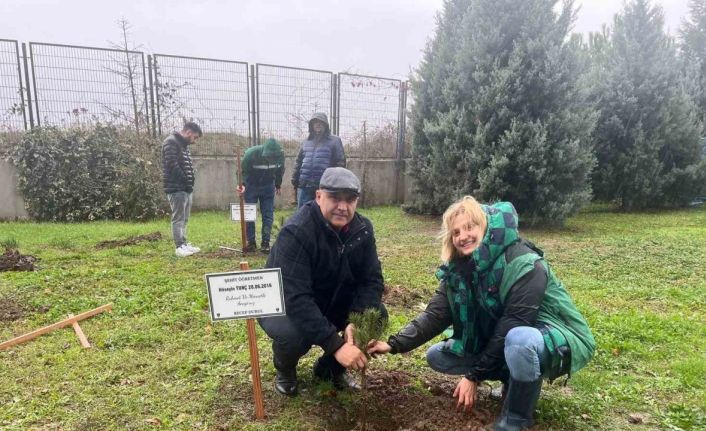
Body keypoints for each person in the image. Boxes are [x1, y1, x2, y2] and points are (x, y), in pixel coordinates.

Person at [367, 196, 595, 431]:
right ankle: (510, 379)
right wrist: (394, 344)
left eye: (469, 227)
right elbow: (435, 315)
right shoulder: (458, 271)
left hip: (555, 333)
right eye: (455, 232)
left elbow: (514, 322)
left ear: (485, 226)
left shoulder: (523, 262)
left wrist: (474, 376)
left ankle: (517, 418)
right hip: (506, 338)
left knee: (519, 341)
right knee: (438, 356)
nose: (462, 236)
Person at [258, 167, 386, 396]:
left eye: (350, 200)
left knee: (375, 316)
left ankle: (329, 369)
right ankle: (285, 369)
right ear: (318, 197)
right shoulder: (297, 231)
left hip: (332, 299)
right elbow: (295, 297)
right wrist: (335, 344)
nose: (343, 207)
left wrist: (355, 319)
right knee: (293, 334)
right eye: (334, 198)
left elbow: (371, 279)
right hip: (284, 306)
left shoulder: (363, 229)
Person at [161, 122, 202, 257]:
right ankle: (179, 247)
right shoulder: (171, 142)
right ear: (188, 132)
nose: (195, 141)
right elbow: (172, 164)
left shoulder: (183, 145)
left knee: (184, 218)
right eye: (195, 137)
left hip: (185, 188)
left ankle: (184, 243)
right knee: (178, 218)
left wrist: (190, 182)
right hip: (176, 188)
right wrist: (185, 180)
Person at [291, 113, 346, 208]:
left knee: (322, 214)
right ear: (311, 125)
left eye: (321, 122)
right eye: (315, 122)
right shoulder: (306, 142)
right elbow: (299, 162)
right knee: (302, 215)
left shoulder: (335, 141)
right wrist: (295, 179)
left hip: (323, 186)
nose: (318, 124)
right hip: (304, 185)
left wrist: (334, 182)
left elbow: (340, 163)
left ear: (326, 124)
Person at [240, 138, 285, 254]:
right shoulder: (251, 153)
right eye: (269, 157)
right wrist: (242, 184)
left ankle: (265, 242)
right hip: (251, 186)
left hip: (268, 186)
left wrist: (278, 184)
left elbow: (280, 171)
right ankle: (251, 242)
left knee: (268, 214)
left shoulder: (280, 155)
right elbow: (242, 171)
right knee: (250, 214)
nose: (271, 159)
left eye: (273, 157)